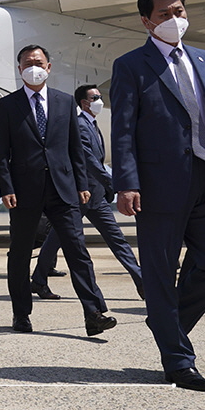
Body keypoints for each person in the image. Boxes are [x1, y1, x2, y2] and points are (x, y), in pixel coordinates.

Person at [110, 0, 205, 392]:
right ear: (146, 21)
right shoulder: (131, 65)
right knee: (158, 273)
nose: (176, 20)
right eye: (165, 14)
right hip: (157, 185)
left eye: (180, 11)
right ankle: (178, 361)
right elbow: (123, 130)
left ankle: (165, 322)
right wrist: (127, 182)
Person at [0, 46, 115, 337]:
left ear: (49, 68)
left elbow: (75, 148)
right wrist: (6, 187)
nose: (33, 67)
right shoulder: (8, 106)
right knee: (20, 254)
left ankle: (93, 313)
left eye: (38, 63)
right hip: (24, 191)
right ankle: (21, 314)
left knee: (78, 251)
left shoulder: (64, 103)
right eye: (27, 63)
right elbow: (2, 153)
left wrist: (82, 184)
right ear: (19, 68)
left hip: (63, 189)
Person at [30, 85, 143, 301]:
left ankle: (141, 281)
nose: (100, 100)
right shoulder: (81, 125)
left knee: (116, 239)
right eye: (96, 97)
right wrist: (114, 183)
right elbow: (89, 161)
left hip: (96, 196)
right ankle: (38, 280)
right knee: (56, 239)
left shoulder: (93, 125)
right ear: (84, 103)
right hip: (79, 194)